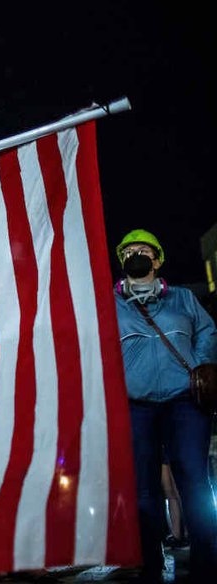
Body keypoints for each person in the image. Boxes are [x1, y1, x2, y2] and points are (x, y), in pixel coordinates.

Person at [113, 229, 217, 583]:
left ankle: (207, 564)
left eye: (143, 250)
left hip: (184, 403)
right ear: (121, 261)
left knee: (194, 481)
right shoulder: (107, 304)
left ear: (157, 260)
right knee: (144, 490)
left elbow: (207, 330)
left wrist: (202, 364)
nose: (135, 255)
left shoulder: (184, 299)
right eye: (128, 252)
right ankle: (151, 564)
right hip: (136, 406)